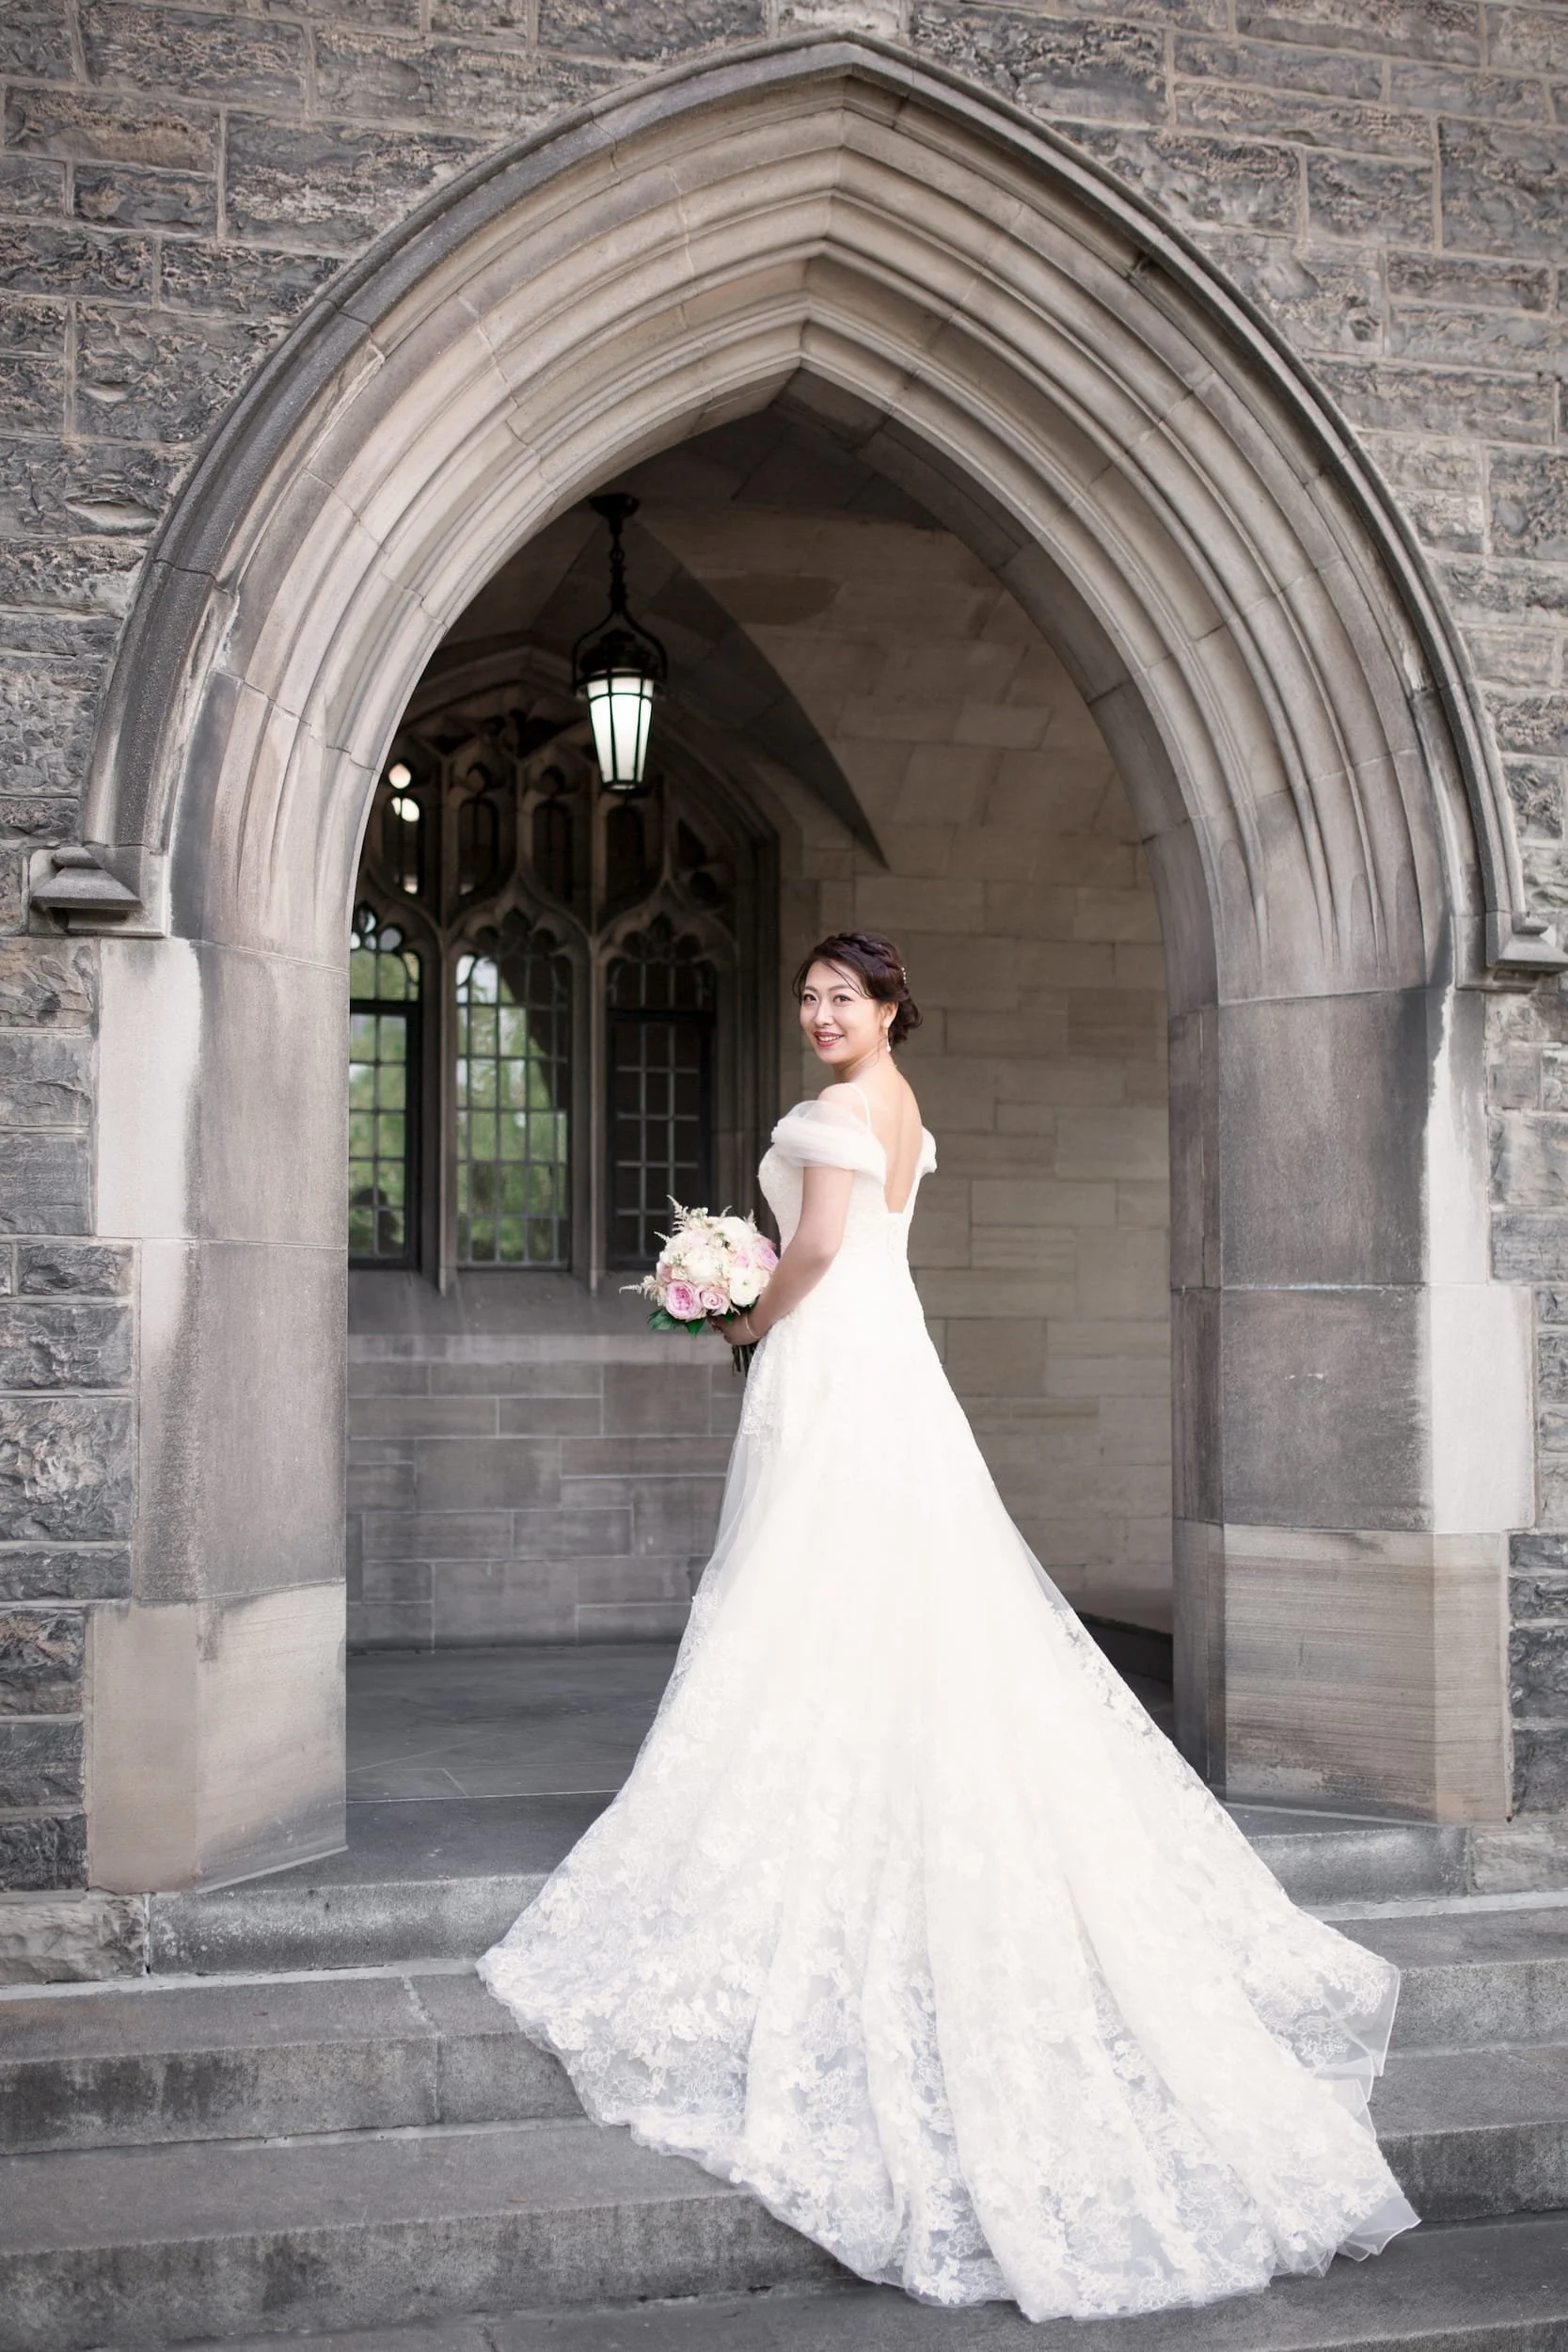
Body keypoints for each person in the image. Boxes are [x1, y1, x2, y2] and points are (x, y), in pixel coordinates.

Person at [480, 929, 1418, 2322]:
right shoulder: (905, 1113)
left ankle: (818, 1791)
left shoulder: (824, 1117)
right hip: (893, 1367)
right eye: (804, 994)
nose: (816, 1011)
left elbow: (810, 1251)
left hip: (832, 1363)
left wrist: (736, 1318)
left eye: (839, 996)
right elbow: (863, 1243)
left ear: (889, 1007)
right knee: (888, 1582)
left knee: (808, 1576)